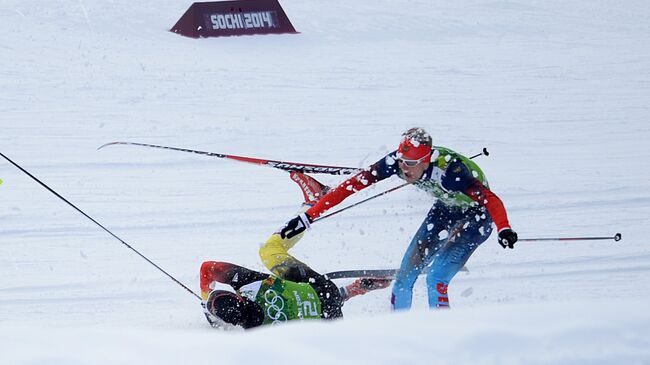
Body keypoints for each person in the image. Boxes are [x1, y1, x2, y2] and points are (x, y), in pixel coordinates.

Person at [259, 127, 518, 310]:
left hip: (477, 217)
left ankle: (443, 337)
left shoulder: (453, 173)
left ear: (427, 160)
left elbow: (491, 200)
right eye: (402, 160)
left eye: (410, 163)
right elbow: (350, 186)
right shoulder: (396, 162)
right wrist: (308, 217)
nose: (403, 168)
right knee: (405, 277)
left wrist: (504, 228)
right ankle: (397, 335)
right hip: (445, 209)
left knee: (436, 277)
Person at [200, 261, 390, 329]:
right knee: (272, 255)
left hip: (330, 322)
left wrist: (211, 313)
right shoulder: (250, 283)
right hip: (323, 289)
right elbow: (208, 267)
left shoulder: (254, 336)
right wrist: (205, 294)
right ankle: (348, 290)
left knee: (303, 317)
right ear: (238, 297)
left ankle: (350, 291)